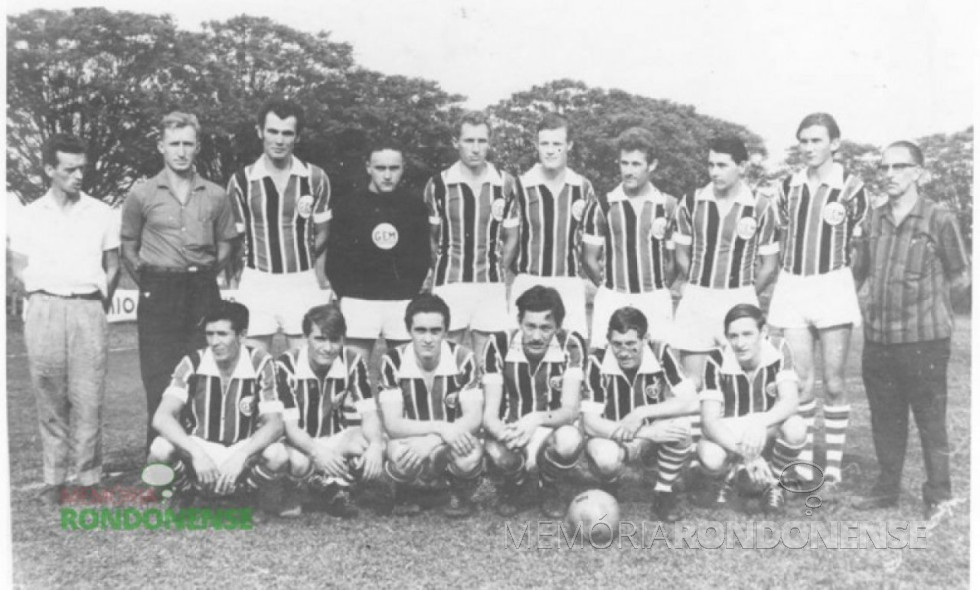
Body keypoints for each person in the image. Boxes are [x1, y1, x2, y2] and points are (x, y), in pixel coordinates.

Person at [851, 141, 970, 519]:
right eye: (883, 168)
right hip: (880, 339)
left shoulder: (939, 218)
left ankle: (938, 495)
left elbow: (960, 276)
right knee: (885, 417)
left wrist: (929, 307)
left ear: (919, 172)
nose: (889, 175)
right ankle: (886, 489)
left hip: (925, 342)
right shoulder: (873, 219)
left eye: (898, 167)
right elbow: (861, 272)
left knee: (930, 420)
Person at [10, 134, 120, 505]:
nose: (78, 176)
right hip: (44, 309)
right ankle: (54, 479)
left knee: (89, 398)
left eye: (82, 169)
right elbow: (18, 267)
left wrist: (95, 302)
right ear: (49, 170)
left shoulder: (102, 212)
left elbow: (113, 265)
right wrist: (44, 296)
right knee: (50, 396)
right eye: (69, 169)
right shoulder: (28, 215)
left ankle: (88, 478)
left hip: (88, 308)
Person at [121, 112, 238, 451]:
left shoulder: (216, 195)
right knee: (158, 377)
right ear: (161, 146)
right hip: (159, 289)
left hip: (202, 290)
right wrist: (147, 277)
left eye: (188, 143)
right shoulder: (141, 194)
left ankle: (200, 457)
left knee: (203, 370)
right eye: (175, 144)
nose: (182, 151)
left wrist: (205, 275)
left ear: (197, 146)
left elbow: (227, 243)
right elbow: (129, 244)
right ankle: (160, 464)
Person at [769, 113, 868, 486]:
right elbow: (783, 239)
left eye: (817, 140)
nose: (809, 148)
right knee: (802, 381)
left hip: (834, 284)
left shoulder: (853, 187)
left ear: (835, 144)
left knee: (835, 382)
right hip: (793, 285)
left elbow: (861, 251)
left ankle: (834, 468)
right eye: (804, 141)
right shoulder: (787, 186)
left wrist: (842, 286)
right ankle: (806, 462)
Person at [147, 301, 287, 509]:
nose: (214, 342)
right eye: (210, 334)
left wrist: (242, 455)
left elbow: (275, 424)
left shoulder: (261, 362)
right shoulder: (192, 362)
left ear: (241, 335)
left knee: (278, 455)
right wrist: (197, 453)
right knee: (159, 449)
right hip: (201, 445)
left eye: (222, 334)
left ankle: (245, 494)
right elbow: (162, 417)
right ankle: (187, 491)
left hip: (242, 446)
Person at [672, 136, 780, 386]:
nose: (714, 172)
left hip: (738, 298)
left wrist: (745, 295)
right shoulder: (691, 201)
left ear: (741, 167)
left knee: (739, 383)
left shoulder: (760, 206)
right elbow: (680, 253)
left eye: (722, 165)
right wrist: (697, 283)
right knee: (693, 383)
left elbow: (769, 265)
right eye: (710, 165)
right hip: (697, 299)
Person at [226, 99, 332, 351]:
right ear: (260, 131)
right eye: (273, 131)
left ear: (297, 137)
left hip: (301, 282)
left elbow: (323, 231)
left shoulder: (315, 177)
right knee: (253, 362)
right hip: (257, 281)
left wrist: (302, 260)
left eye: (287, 133)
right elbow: (236, 239)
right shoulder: (242, 180)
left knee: (305, 363)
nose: (279, 140)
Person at [581, 307, 697, 522]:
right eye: (617, 344)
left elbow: (690, 400)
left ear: (645, 339)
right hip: (613, 436)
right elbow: (589, 423)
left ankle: (663, 491)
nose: (623, 352)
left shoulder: (660, 351)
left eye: (631, 344)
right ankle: (610, 483)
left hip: (652, 438)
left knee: (682, 425)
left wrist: (642, 412)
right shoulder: (596, 361)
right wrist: (646, 432)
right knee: (605, 457)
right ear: (608, 341)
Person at [325, 143, 430, 377]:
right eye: (380, 167)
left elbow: (422, 256)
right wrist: (348, 294)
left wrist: (409, 291)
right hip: (359, 300)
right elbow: (335, 258)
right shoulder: (348, 206)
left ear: (403, 168)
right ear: (368, 168)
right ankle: (352, 413)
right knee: (353, 375)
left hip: (401, 301)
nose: (387, 175)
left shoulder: (414, 206)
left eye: (394, 168)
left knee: (405, 374)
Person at [482, 286, 586, 518]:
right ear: (519, 322)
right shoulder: (499, 344)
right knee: (497, 452)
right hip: (512, 430)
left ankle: (548, 486)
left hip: (550, 431)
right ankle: (516, 486)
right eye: (530, 326)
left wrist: (535, 419)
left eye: (545, 327)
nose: (537, 336)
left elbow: (570, 411)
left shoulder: (571, 344)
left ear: (557, 327)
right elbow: (489, 415)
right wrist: (504, 433)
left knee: (570, 439)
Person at [377, 294, 484, 518]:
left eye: (435, 331)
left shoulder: (464, 359)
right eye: (421, 330)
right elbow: (393, 424)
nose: (428, 339)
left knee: (470, 455)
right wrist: (442, 428)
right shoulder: (393, 361)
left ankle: (456, 489)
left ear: (445, 331)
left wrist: (434, 439)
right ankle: (405, 490)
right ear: (409, 331)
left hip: (446, 442)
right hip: (412, 439)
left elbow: (473, 418)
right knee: (400, 456)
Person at [276, 304, 384, 518]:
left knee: (368, 443)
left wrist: (375, 445)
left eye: (334, 339)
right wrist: (317, 452)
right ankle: (311, 488)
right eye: (320, 339)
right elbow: (289, 427)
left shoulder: (352, 362)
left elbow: (369, 413)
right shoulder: (285, 365)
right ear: (306, 337)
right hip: (297, 441)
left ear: (343, 339)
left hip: (334, 437)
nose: (327, 347)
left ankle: (329, 485)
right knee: (298, 462)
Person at [424, 111, 518, 356]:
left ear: (489, 142)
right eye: (469, 141)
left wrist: (497, 269)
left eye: (481, 141)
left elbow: (512, 237)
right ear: (456, 142)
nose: (475, 149)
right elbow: (431, 237)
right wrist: (443, 268)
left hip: (490, 285)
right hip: (450, 283)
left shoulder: (506, 183)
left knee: (488, 359)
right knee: (447, 356)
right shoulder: (439, 184)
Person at [697, 304, 805, 513]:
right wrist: (747, 454)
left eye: (747, 334)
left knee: (796, 427)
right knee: (711, 457)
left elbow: (790, 402)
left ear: (763, 333)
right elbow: (709, 421)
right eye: (733, 336)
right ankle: (730, 477)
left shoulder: (779, 348)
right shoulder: (716, 358)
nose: (740, 343)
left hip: (765, 429)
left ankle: (776, 483)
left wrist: (759, 424)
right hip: (731, 432)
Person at [502, 113, 596, 338]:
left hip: (569, 283)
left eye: (557, 144)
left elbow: (590, 248)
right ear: (536, 145)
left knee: (573, 355)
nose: (551, 150)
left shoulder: (583, 187)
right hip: (528, 281)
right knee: (519, 355)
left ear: (569, 145)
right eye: (545, 143)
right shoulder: (521, 186)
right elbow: (509, 241)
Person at [583, 127, 678, 345]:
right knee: (604, 362)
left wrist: (659, 286)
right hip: (613, 296)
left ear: (651, 165)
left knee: (657, 362)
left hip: (654, 297)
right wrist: (610, 286)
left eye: (636, 164)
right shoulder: (604, 204)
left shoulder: (668, 205)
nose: (629, 171)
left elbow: (673, 261)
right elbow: (589, 257)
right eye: (624, 163)